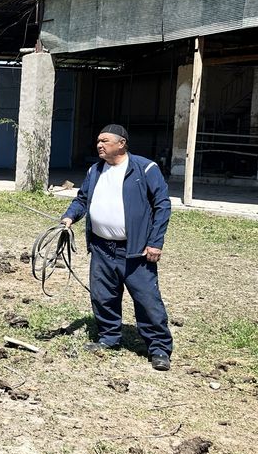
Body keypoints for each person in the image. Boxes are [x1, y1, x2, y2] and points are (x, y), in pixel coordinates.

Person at [60, 124, 173, 371]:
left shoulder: (145, 169)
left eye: (105, 141)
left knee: (146, 300)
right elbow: (82, 199)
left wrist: (155, 242)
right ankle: (109, 338)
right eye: (98, 141)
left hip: (136, 250)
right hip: (101, 248)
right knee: (103, 296)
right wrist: (69, 217)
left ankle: (159, 348)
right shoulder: (95, 170)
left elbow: (163, 205)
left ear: (121, 143)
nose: (99, 145)